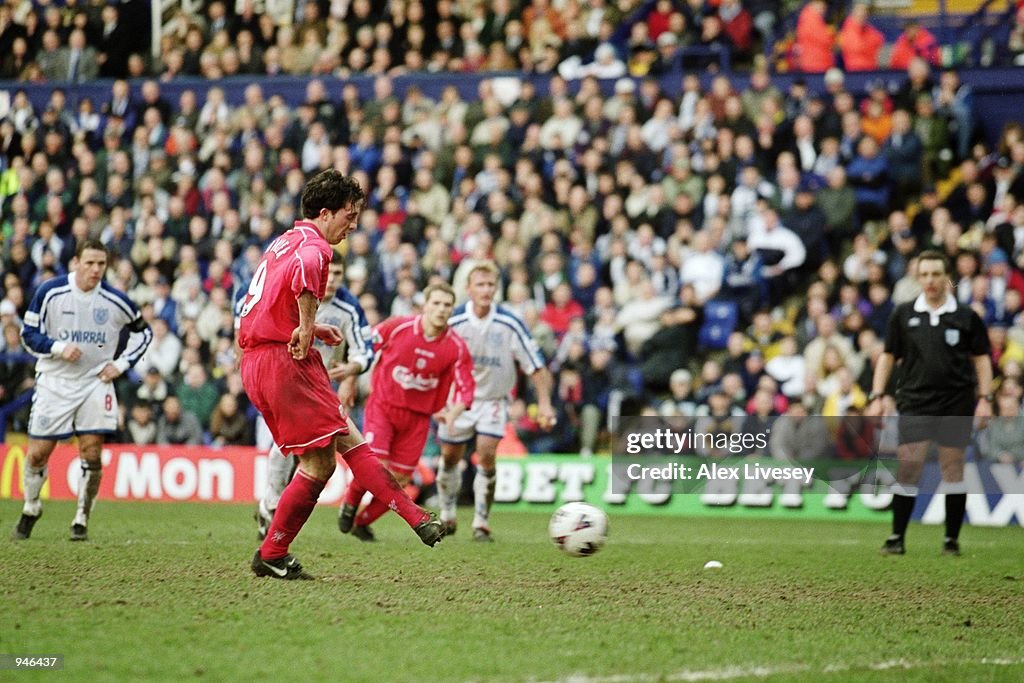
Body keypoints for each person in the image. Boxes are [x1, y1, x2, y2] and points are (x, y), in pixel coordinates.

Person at [237, 169, 445, 581]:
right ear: (326, 212)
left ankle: (276, 550)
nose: (353, 225)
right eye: (349, 216)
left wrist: (308, 327)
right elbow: (307, 273)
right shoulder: (315, 248)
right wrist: (306, 326)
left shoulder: (283, 241)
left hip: (264, 358)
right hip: (284, 362)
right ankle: (411, 516)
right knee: (329, 455)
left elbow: (273, 295)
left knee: (332, 453)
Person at [13, 239, 153, 541]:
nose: (95, 269)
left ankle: (81, 518)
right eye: (89, 263)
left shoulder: (117, 301)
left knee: (91, 452)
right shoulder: (50, 292)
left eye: (101, 264)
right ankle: (31, 506)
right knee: (38, 453)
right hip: (54, 381)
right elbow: (28, 334)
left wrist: (121, 364)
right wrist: (58, 348)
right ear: (75, 262)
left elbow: (144, 333)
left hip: (95, 382)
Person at [868, 250, 992, 556]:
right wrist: (878, 394)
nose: (930, 280)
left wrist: (985, 399)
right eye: (924, 275)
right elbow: (887, 356)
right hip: (915, 401)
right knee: (908, 468)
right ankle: (897, 537)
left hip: (955, 401)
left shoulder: (966, 316)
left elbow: (981, 360)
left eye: (936, 274)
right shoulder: (903, 313)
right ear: (917, 277)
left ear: (946, 277)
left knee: (953, 468)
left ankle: (951, 540)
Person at [338, 281, 475, 542]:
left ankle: (362, 522)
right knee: (375, 466)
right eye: (436, 303)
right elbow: (365, 349)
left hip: (418, 418)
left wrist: (454, 411)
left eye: (447, 305)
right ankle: (351, 501)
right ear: (425, 305)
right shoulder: (397, 326)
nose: (441, 309)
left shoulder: (455, 346)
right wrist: (351, 378)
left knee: (400, 479)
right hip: (383, 407)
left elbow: (467, 385)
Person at [254, 252, 374, 540]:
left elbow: (364, 349)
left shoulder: (350, 307)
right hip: (288, 379)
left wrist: (351, 372)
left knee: (313, 456)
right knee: (285, 445)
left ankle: (272, 509)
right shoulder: (295, 292)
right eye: (328, 273)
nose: (332, 280)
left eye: (338, 275)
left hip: (324, 389)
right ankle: (270, 507)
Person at [436, 261, 555, 541]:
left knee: (486, 455)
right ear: (468, 289)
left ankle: (481, 522)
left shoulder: (509, 322)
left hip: (492, 400)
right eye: (480, 284)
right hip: (457, 400)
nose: (486, 290)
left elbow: (536, 366)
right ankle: (447, 512)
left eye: (491, 285)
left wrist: (545, 403)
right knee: (450, 457)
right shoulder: (453, 321)